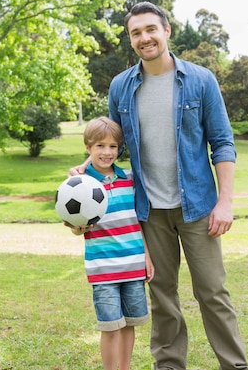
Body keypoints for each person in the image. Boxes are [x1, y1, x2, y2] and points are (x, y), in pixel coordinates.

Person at [72, 2, 248, 370]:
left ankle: (235, 366)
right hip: (149, 211)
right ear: (130, 39)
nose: (144, 38)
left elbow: (223, 142)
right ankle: (169, 366)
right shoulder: (122, 86)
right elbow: (112, 143)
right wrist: (86, 171)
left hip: (198, 207)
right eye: (136, 32)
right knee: (162, 297)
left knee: (213, 293)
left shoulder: (200, 80)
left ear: (167, 31)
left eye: (151, 29)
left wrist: (225, 201)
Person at [65, 116, 154, 370]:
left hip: (133, 264)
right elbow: (75, 228)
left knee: (129, 324)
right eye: (100, 146)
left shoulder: (129, 179)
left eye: (113, 146)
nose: (107, 152)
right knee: (111, 327)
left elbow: (138, 222)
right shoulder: (80, 185)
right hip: (103, 269)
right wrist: (78, 229)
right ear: (88, 147)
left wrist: (147, 256)